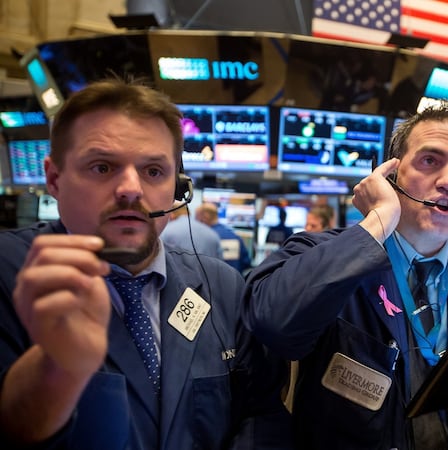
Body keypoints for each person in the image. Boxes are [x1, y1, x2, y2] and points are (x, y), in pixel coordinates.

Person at [0, 78, 291, 450]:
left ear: (177, 188)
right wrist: (57, 368)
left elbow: (261, 413)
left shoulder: (221, 285)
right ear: (54, 178)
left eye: (153, 171)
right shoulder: (10, 273)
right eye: (103, 167)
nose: (131, 188)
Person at [242, 102, 448, 449]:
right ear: (390, 177)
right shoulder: (325, 255)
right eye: (430, 161)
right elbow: (273, 323)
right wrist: (378, 220)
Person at [195, 202, 252, 273]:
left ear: (205, 217)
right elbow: (246, 263)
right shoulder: (235, 237)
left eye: (197, 218)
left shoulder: (204, 238)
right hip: (235, 282)